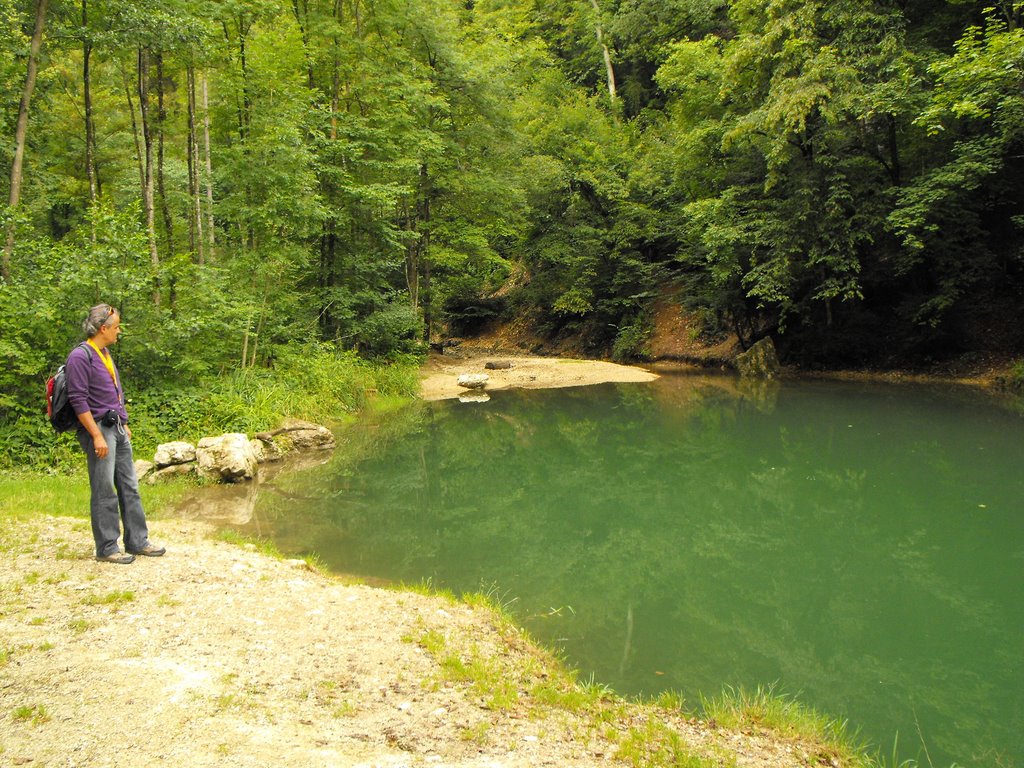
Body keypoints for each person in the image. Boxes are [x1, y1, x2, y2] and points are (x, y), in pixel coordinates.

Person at [66, 303, 165, 564]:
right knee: (104, 489)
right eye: (116, 327)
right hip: (98, 429)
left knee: (129, 485)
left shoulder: (105, 353)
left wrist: (124, 421)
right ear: (103, 328)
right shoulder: (80, 356)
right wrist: (96, 436)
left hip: (117, 428)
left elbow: (113, 391)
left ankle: (137, 541)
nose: (118, 332)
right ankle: (107, 547)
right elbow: (78, 400)